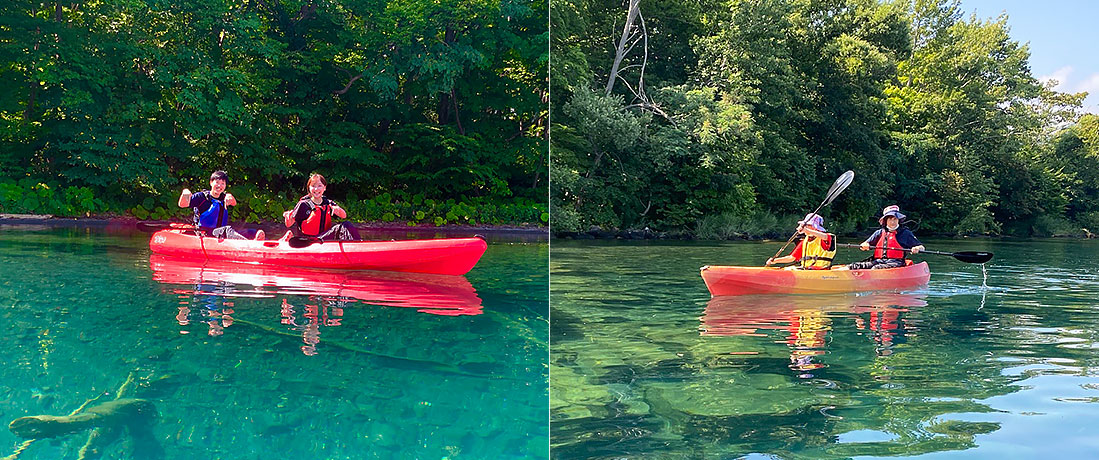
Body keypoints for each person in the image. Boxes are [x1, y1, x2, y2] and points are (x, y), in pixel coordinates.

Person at [177, 170, 264, 240]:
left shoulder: (224, 197)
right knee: (227, 230)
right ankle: (248, 246)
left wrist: (230, 196)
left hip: (219, 233)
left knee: (251, 232)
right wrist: (185, 193)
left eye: (223, 183)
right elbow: (182, 205)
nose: (219, 186)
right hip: (204, 233)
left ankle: (259, 245)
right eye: (217, 182)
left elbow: (234, 203)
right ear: (211, 183)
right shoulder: (201, 196)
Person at [283, 173, 360, 241]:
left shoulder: (328, 203)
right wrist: (287, 217)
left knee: (346, 224)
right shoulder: (303, 204)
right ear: (309, 188)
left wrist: (338, 210)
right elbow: (289, 224)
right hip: (307, 241)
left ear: (324, 188)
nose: (316, 189)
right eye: (313, 186)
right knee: (342, 227)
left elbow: (344, 216)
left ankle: (356, 247)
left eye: (319, 186)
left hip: (323, 238)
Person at [846, 205, 925, 270]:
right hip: (878, 261)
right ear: (885, 220)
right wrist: (864, 246)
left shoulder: (905, 233)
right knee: (854, 266)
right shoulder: (879, 233)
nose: (893, 222)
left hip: (896, 262)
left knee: (876, 268)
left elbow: (922, 247)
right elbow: (864, 244)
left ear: (898, 220)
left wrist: (917, 248)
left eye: (895, 219)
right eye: (890, 219)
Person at [766, 213, 836, 270]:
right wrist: (775, 261)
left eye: (808, 225)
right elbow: (791, 258)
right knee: (789, 268)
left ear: (815, 227)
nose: (805, 227)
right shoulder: (805, 242)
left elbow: (824, 236)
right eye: (805, 225)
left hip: (821, 271)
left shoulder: (826, 237)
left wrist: (806, 230)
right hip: (806, 270)